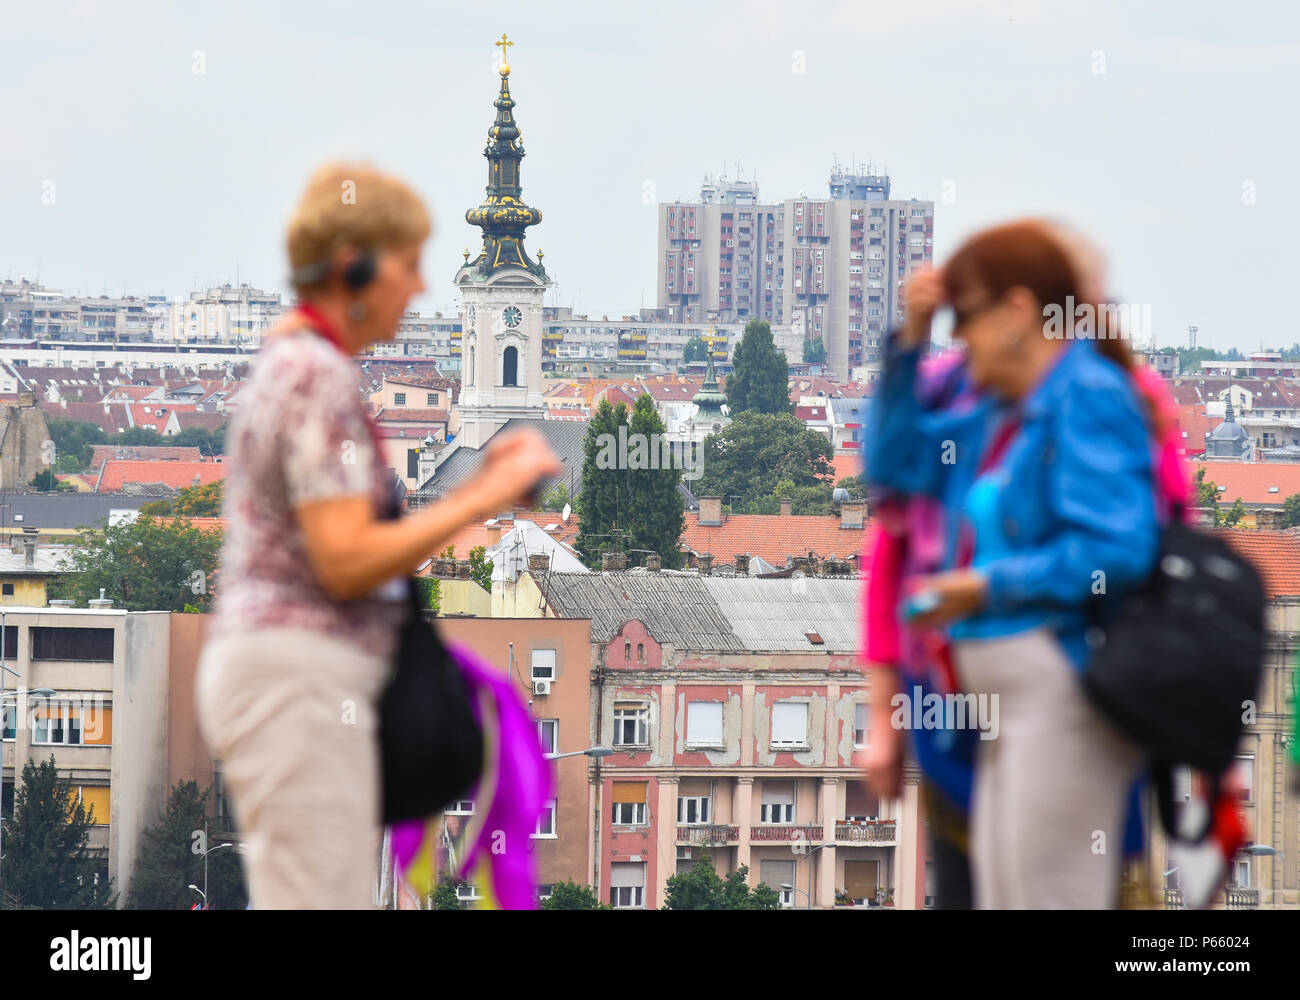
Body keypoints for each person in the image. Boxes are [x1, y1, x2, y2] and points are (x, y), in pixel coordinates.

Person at [195, 162, 562, 909]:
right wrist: (485, 494)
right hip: (295, 680)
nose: (421, 289)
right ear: (351, 267)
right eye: (409, 266)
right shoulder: (315, 379)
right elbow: (343, 559)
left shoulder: (296, 366)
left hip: (289, 677)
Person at [865, 220, 1162, 908]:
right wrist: (911, 341)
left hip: (1060, 694)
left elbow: (1119, 547)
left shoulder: (1085, 393)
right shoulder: (1005, 410)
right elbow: (896, 463)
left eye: (964, 315)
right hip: (996, 709)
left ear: (1019, 312)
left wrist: (984, 586)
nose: (959, 335)